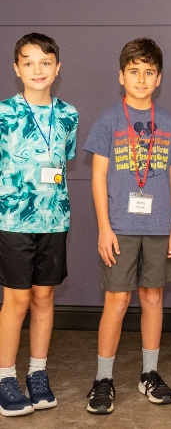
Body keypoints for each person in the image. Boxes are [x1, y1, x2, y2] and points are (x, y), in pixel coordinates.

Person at [83, 38, 171, 413]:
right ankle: (103, 378)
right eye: (134, 72)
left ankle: (149, 373)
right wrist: (104, 228)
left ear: (158, 78)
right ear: (121, 76)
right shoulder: (109, 119)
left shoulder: (169, 122)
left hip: (159, 226)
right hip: (120, 227)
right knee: (117, 299)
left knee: (153, 297)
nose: (141, 79)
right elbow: (97, 178)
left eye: (149, 72)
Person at [0, 33, 78, 417]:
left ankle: (37, 373)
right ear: (16, 69)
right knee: (16, 299)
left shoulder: (69, 114)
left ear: (57, 68)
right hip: (12, 221)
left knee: (44, 297)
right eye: (28, 62)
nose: (37, 69)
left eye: (45, 62)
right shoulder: (2, 114)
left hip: (54, 219)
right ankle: (5, 377)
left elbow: (63, 160)